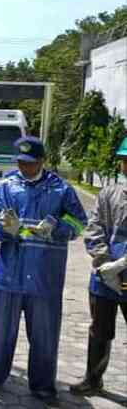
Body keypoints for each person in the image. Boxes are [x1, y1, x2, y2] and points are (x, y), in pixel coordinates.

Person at [0, 136, 87, 408]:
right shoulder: (5, 186)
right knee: (1, 330)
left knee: (44, 334)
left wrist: (57, 228)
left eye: (31, 163)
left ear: (42, 161)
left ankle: (43, 386)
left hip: (45, 276)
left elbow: (79, 221)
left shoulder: (61, 189)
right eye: (21, 163)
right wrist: (3, 228)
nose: (25, 168)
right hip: (10, 273)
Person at [70, 137, 127, 396]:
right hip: (104, 277)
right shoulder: (108, 194)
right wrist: (105, 263)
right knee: (100, 329)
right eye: (125, 160)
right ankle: (93, 379)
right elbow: (94, 229)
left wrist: (122, 264)